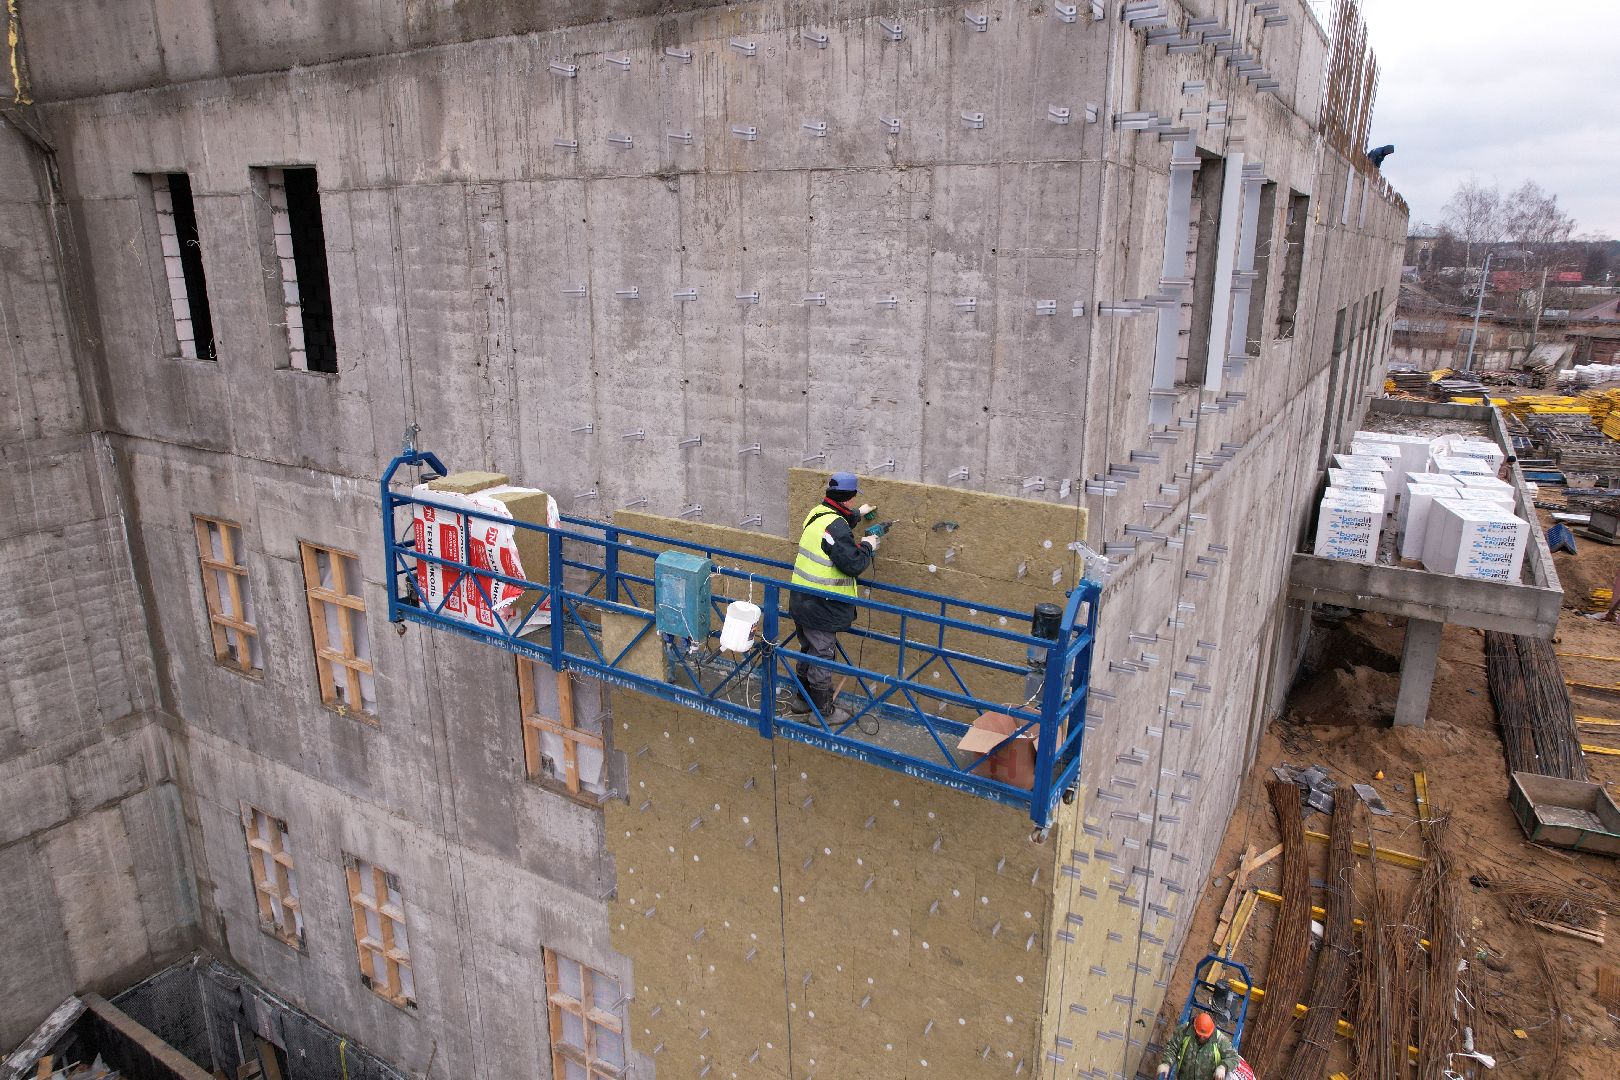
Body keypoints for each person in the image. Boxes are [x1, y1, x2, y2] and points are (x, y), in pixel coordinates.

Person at [787, 471, 880, 720]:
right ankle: (822, 712)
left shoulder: (817, 513)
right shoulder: (835, 527)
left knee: (807, 649)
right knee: (822, 655)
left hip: (802, 599)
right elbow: (853, 564)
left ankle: (802, 700)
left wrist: (858, 515)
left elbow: (833, 531)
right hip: (822, 605)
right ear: (848, 498)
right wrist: (869, 545)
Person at [1157, 1012, 1237, 1080]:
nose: (1202, 1038)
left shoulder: (1219, 1039)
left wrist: (1223, 1067)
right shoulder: (1184, 1031)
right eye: (1199, 1034)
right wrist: (1166, 1063)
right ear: (1195, 1027)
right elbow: (1172, 1047)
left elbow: (1233, 1057)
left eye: (1205, 1036)